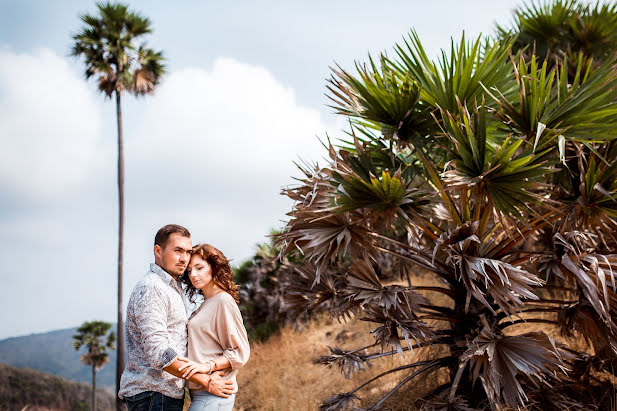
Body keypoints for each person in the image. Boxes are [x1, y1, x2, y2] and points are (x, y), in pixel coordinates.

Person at [119, 225, 234, 411]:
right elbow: (159, 351)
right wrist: (205, 380)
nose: (184, 259)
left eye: (188, 252)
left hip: (162, 394)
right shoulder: (152, 288)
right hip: (152, 394)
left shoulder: (172, 287)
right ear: (158, 251)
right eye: (178, 251)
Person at [178, 243, 250, 411]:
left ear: (214, 268)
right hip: (202, 393)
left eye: (199, 268)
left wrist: (207, 366)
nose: (193, 275)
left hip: (213, 393)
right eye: (189, 271)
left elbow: (240, 351)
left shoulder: (223, 301)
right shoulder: (206, 304)